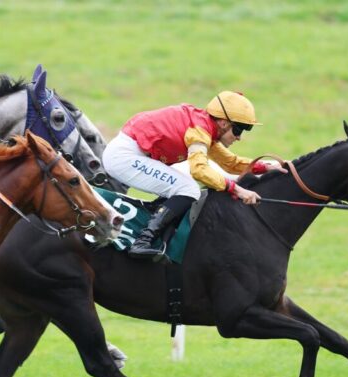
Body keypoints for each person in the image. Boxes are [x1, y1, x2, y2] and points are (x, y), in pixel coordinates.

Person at [102, 90, 283, 260]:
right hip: (124, 157)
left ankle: (155, 233)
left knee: (185, 187)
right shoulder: (199, 131)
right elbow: (199, 170)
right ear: (223, 123)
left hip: (130, 153)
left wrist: (267, 167)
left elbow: (231, 163)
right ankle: (143, 241)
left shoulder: (205, 128)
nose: (239, 137)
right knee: (188, 189)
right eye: (239, 129)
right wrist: (237, 190)